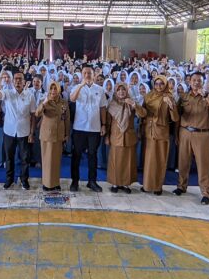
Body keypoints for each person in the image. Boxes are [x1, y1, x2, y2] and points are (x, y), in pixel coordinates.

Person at [173, 72, 209, 205]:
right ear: (189, 81)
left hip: (202, 134)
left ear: (203, 82)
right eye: (194, 80)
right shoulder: (184, 97)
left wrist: (206, 96)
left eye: (199, 80)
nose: (196, 82)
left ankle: (206, 193)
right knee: (183, 162)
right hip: (185, 132)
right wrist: (176, 134)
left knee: (203, 164)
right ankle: (181, 186)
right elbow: (177, 116)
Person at [0, 70, 35, 190]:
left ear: (24, 82)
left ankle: (24, 180)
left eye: (20, 79)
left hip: (24, 132)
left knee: (24, 159)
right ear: (12, 81)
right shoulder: (7, 93)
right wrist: (1, 77)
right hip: (9, 131)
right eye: (15, 79)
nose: (17, 81)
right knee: (9, 158)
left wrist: (32, 133)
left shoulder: (30, 95)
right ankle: (9, 180)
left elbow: (33, 115)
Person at [69, 64, 107, 192]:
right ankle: (75, 181)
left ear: (94, 75)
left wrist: (104, 124)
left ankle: (92, 181)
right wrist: (81, 85)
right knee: (76, 155)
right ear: (81, 75)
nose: (87, 75)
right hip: (79, 127)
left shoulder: (100, 90)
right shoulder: (76, 87)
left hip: (94, 128)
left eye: (89, 73)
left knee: (92, 155)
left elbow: (102, 108)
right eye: (84, 73)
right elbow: (72, 99)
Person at [106, 82, 146, 194]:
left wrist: (134, 105)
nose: (121, 92)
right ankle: (115, 183)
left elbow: (143, 114)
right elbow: (108, 123)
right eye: (118, 90)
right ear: (115, 92)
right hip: (116, 136)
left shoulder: (131, 102)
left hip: (129, 136)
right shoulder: (112, 104)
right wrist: (107, 136)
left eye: (123, 89)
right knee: (115, 160)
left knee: (128, 161)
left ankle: (126, 184)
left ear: (127, 91)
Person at [141, 76, 179, 195]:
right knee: (149, 160)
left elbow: (175, 118)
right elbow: (143, 113)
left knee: (160, 159)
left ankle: (158, 186)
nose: (158, 86)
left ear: (166, 84)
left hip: (162, 132)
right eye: (156, 83)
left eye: (161, 84)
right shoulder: (148, 96)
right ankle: (147, 185)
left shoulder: (169, 97)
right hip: (149, 131)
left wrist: (171, 106)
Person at [36, 81, 70, 191]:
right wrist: (44, 103)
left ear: (59, 89)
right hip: (47, 134)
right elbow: (37, 113)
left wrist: (67, 133)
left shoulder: (64, 102)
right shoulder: (45, 100)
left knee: (56, 160)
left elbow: (67, 118)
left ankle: (55, 183)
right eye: (51, 88)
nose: (53, 91)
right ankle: (46, 183)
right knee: (47, 160)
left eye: (55, 88)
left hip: (59, 135)